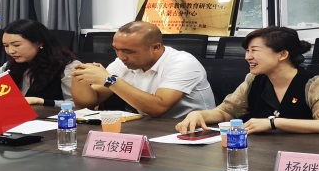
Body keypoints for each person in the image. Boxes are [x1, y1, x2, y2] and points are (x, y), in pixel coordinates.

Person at [175, 26, 319, 135]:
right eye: (247, 51)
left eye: (254, 51)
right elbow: (226, 112)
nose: (248, 57)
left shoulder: (317, 84)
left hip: (306, 155)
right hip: (264, 153)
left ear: (282, 54)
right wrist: (199, 114)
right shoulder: (254, 80)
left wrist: (274, 123)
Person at [71, 21, 214, 119]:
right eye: (116, 50)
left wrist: (109, 80)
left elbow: (158, 108)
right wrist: (80, 75)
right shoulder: (123, 62)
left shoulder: (183, 63)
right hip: (151, 128)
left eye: (128, 51)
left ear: (155, 47)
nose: (121, 56)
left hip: (194, 131)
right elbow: (88, 102)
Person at [0, 19, 79, 108]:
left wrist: (41, 101)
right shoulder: (11, 65)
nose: (10, 51)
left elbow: (77, 105)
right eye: (6, 46)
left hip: (50, 117)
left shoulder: (67, 67)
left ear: (39, 42)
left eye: (16, 45)